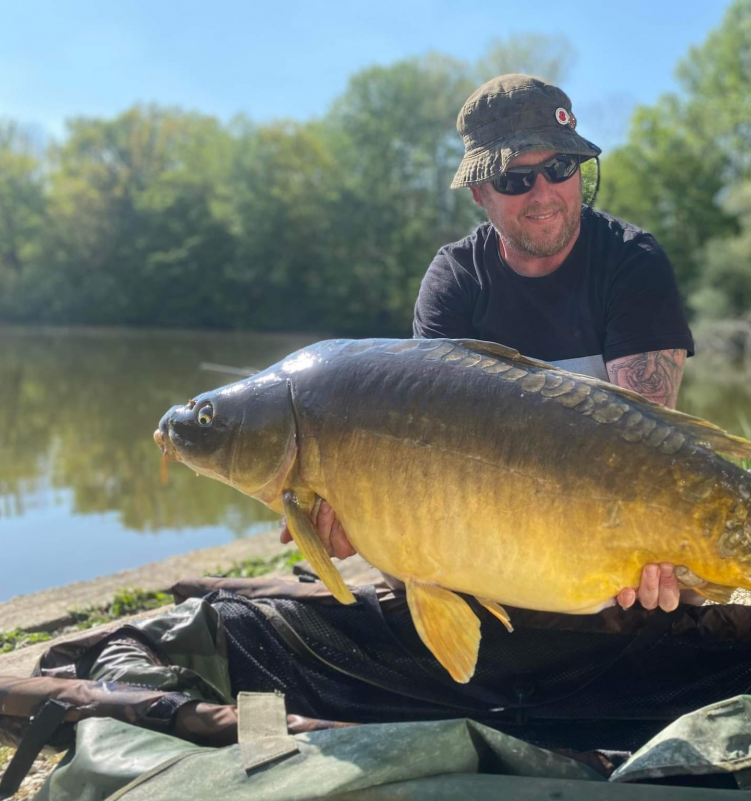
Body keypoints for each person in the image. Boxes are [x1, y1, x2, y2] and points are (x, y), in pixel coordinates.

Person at [281, 74, 696, 613]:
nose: (543, 194)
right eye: (515, 179)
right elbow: (426, 466)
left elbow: (646, 451)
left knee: (673, 577)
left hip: (606, 528)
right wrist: (367, 525)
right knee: (401, 564)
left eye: (560, 168)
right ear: (480, 192)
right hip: (493, 533)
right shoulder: (455, 280)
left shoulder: (631, 261)